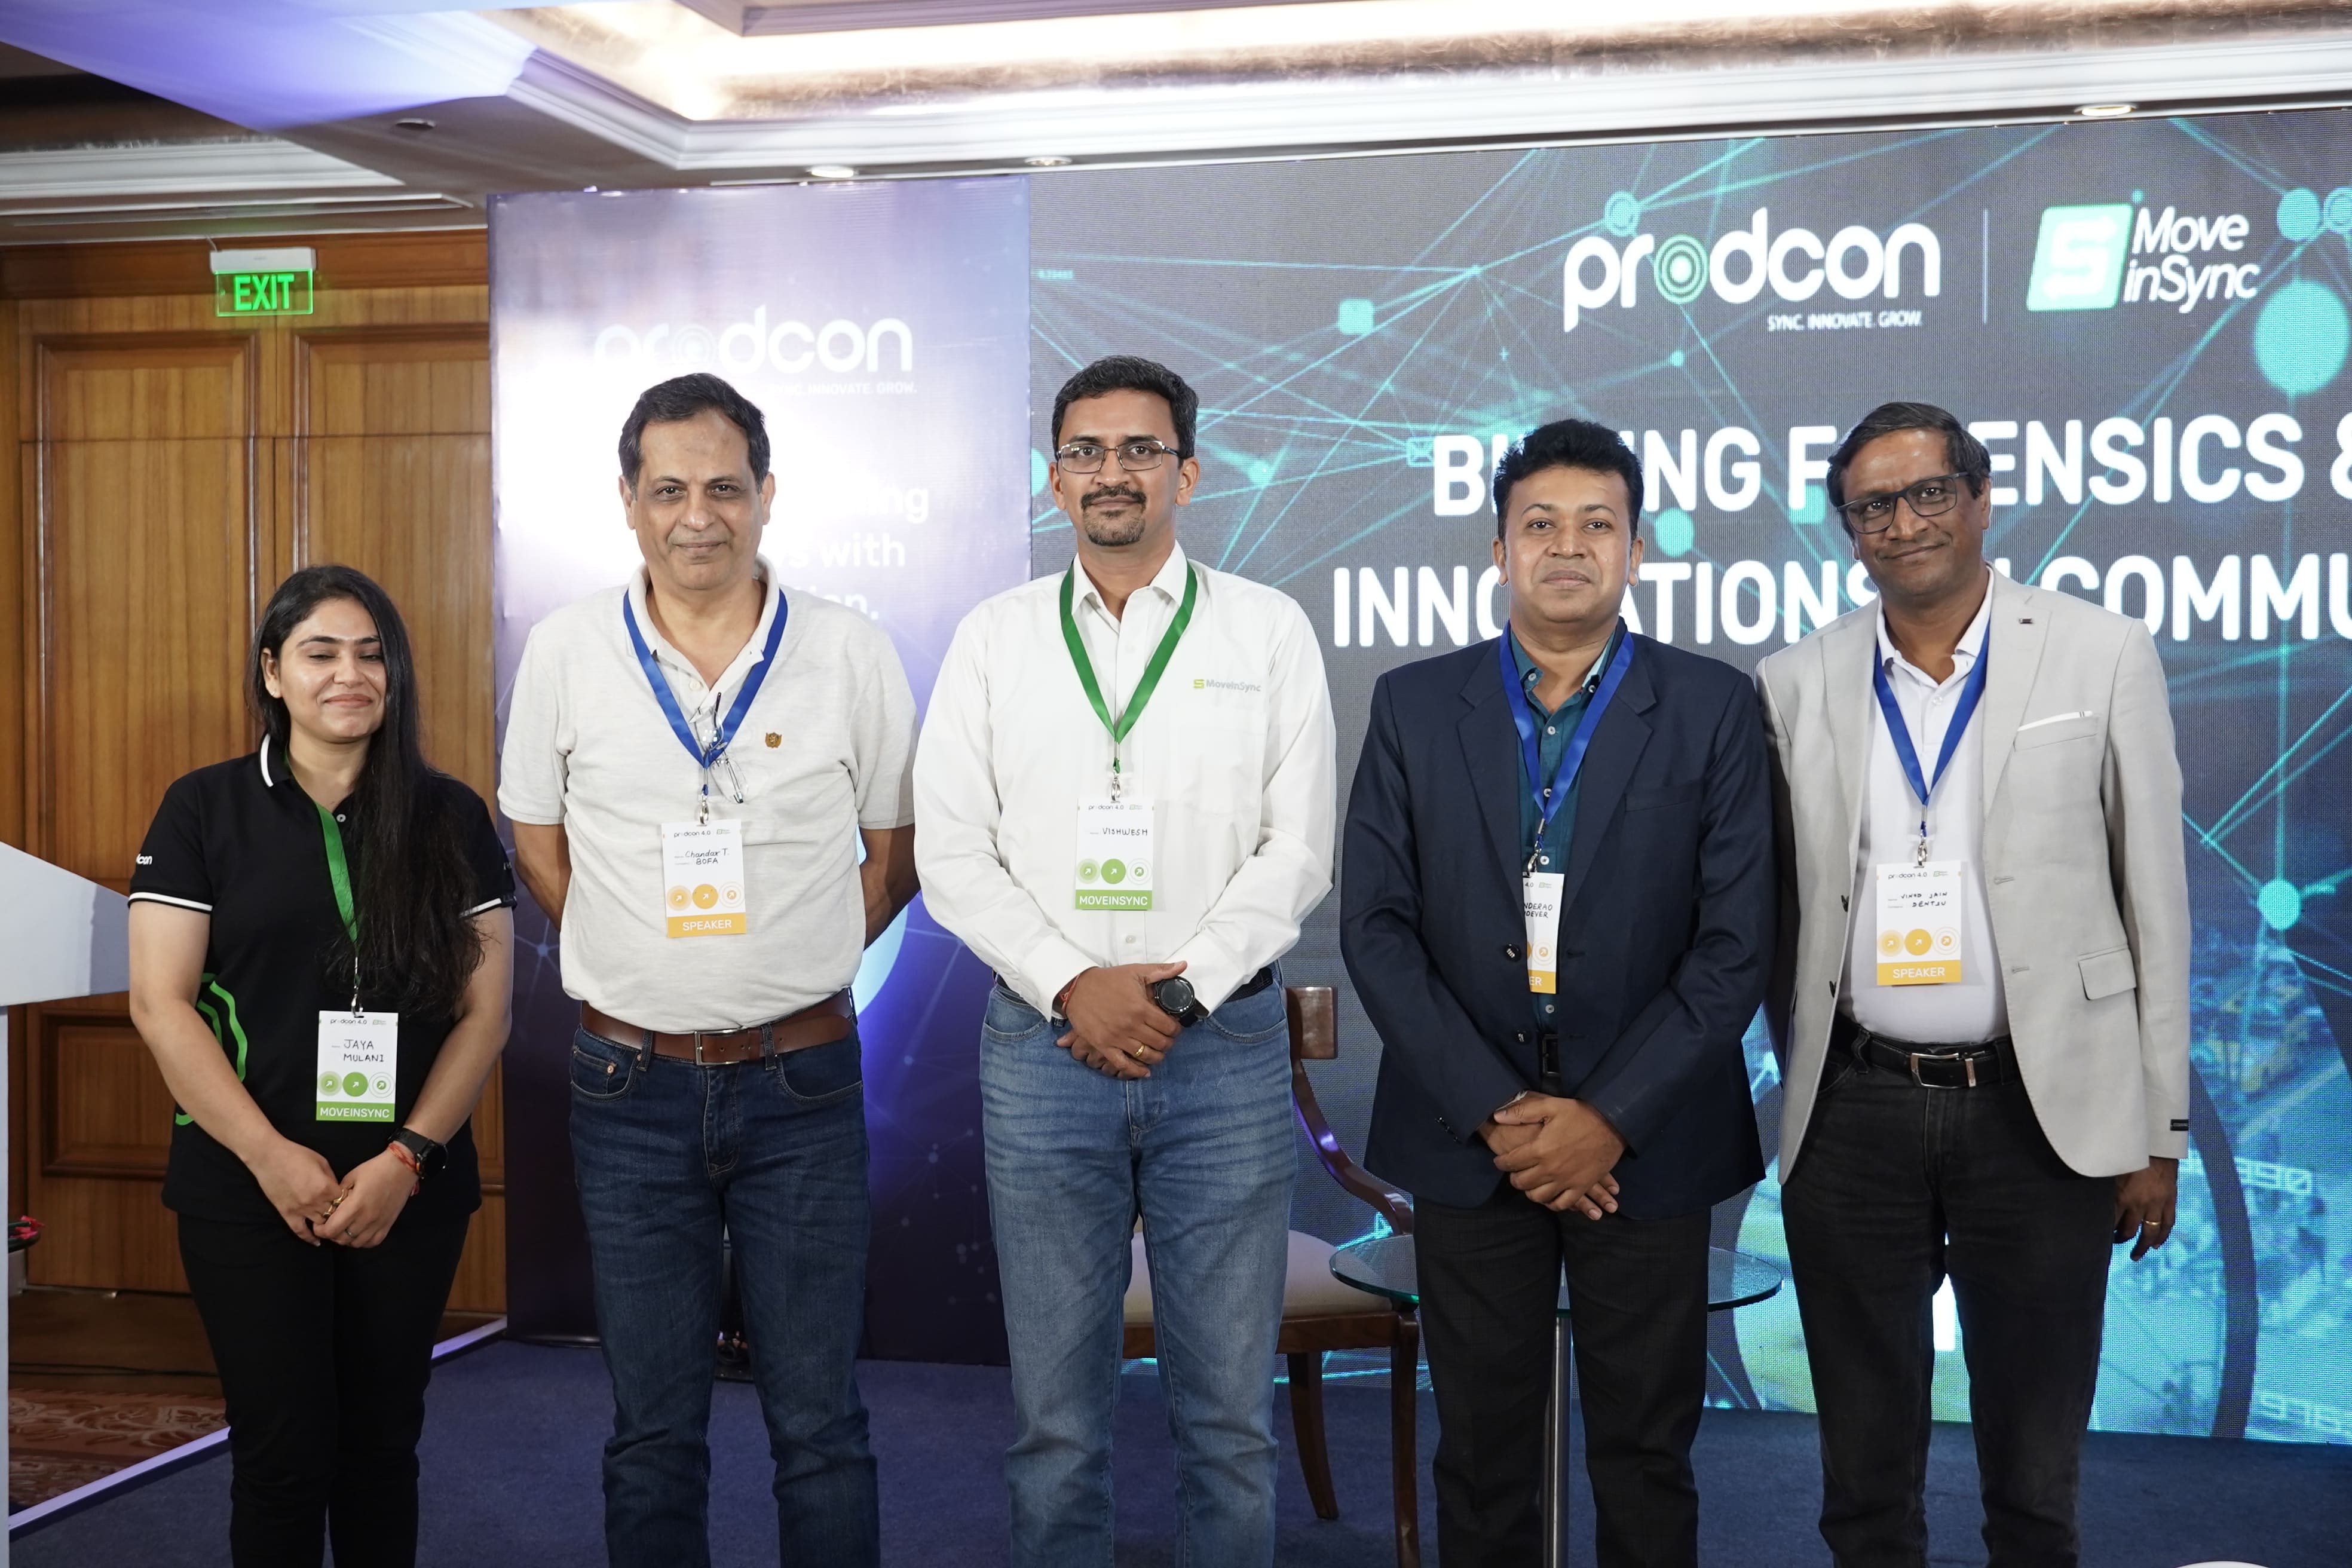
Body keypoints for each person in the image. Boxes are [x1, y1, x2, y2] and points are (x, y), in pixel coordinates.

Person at [914, 354, 1335, 1567]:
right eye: (1087, 452)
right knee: (1055, 1422)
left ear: (1187, 474)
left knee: (1228, 1421)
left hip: (1224, 1052)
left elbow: (1299, 846)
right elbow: (953, 851)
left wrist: (1178, 989)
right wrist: (1072, 984)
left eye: (1141, 450)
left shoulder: (1266, 629)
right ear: (1055, 480)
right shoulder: (994, 640)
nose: (1113, 472)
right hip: (1045, 1049)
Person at [1756, 401, 2188, 1568]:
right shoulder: (1793, 682)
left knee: (2036, 1479)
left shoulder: (2101, 652)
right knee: (1862, 1478)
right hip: (1855, 1112)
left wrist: (2159, 1132)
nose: (1904, 523)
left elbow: (2156, 906)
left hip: (2041, 1111)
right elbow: (1778, 914)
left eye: (1928, 493)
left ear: (1981, 498)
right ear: (1850, 530)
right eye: (1873, 507)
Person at [500, 372, 920, 1568]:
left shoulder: (847, 649)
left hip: (804, 1085)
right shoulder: (568, 649)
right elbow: (536, 839)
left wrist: (795, 957)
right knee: (653, 1429)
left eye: (726, 488)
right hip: (627, 1087)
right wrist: (629, 947)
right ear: (628, 500)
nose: (700, 516)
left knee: (822, 1426)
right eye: (670, 489)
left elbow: (896, 852)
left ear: (768, 495)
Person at [1342, 418, 1773, 1568]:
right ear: (1499, 550)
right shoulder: (1414, 704)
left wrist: (1607, 1120)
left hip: (1649, 1146)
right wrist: (1499, 1113)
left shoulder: (1713, 705)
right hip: (1468, 1140)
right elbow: (1375, 928)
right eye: (1540, 524)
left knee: (1646, 1453)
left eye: (1596, 524)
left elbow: (1736, 944)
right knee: (1482, 1457)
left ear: (1636, 549)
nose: (1568, 546)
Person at [127, 565, 516, 1568]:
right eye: (321, 652)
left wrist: (406, 1159)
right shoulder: (203, 808)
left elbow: (486, 1014)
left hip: (407, 1183)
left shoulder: (449, 815)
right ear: (273, 672)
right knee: (282, 1456)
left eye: (372, 654)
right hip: (246, 1184)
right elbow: (160, 1003)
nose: (351, 674)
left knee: (382, 1448)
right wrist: (270, 1158)